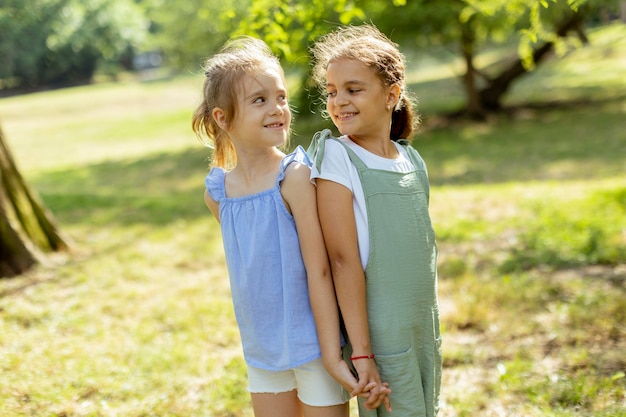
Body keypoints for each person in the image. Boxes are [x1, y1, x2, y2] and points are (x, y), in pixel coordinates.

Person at [191, 37, 353, 417]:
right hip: (263, 351)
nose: (277, 108)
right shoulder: (219, 194)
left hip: (314, 346)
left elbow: (320, 270)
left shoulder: (293, 177)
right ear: (222, 118)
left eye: (280, 97)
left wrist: (331, 353)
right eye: (259, 100)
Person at [307, 24, 442, 417]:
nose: (338, 102)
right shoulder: (338, 157)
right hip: (381, 338)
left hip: (421, 328)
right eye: (331, 92)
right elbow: (342, 261)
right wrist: (363, 351)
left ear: (392, 95)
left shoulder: (411, 160)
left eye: (353, 89)